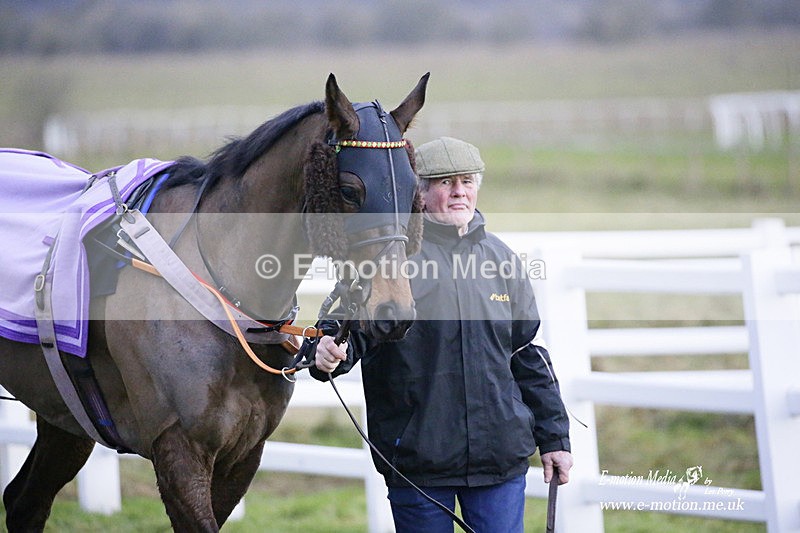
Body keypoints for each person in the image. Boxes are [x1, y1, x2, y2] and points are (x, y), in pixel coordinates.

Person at [312, 136, 572, 532]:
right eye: (445, 182)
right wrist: (327, 351)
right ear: (419, 192)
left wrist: (555, 439)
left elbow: (526, 354)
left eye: (467, 181)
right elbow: (343, 335)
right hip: (418, 463)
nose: (458, 192)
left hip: (499, 458)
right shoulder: (389, 262)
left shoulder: (501, 259)